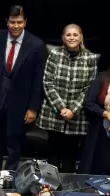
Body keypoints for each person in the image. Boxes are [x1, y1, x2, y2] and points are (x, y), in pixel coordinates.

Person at [0, 5, 46, 170]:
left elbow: (38, 79)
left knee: (14, 146)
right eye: (12, 22)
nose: (16, 26)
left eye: (19, 22)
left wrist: (33, 108)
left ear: (25, 22)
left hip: (20, 104)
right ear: (7, 22)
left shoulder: (37, 44)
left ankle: (10, 181)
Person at [36, 24, 99, 173]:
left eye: (75, 35)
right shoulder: (54, 54)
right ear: (63, 38)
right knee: (53, 154)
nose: (72, 38)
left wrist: (73, 109)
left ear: (81, 37)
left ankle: (66, 191)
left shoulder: (90, 58)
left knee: (70, 155)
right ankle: (49, 190)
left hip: (76, 116)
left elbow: (90, 88)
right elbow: (47, 82)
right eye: (68, 35)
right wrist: (61, 108)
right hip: (54, 113)